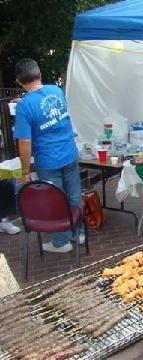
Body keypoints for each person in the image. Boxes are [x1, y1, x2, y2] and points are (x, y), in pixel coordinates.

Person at [13, 58, 83, 252]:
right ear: (40, 74)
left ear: (19, 81)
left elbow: (25, 142)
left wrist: (25, 171)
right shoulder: (56, 91)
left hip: (48, 160)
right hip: (69, 153)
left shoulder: (24, 107)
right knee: (74, 195)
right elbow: (45, 106)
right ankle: (79, 233)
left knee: (57, 202)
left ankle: (61, 242)